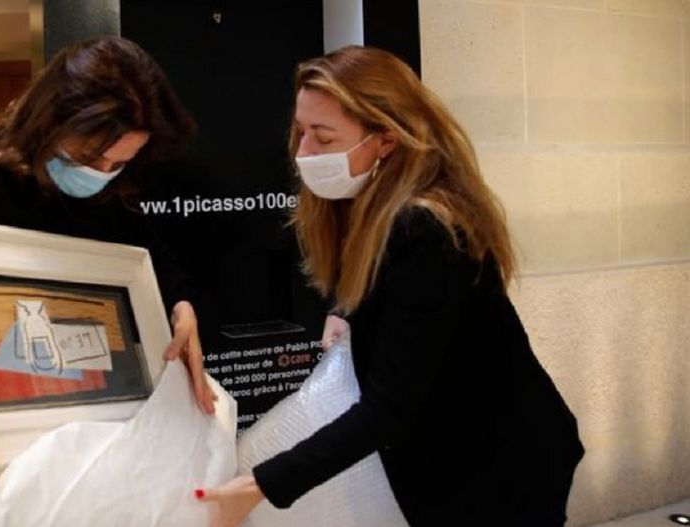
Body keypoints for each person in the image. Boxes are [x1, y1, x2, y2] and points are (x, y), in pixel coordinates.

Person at [198, 46, 584, 525]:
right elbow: (387, 290)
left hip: (502, 467)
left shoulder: (425, 229)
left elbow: (387, 409)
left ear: (385, 139)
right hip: (460, 454)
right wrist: (345, 309)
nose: (303, 153)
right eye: (301, 132)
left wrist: (259, 485)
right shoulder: (374, 208)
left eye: (323, 136)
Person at [0, 36, 215, 414]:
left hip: (98, 394)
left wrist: (181, 305)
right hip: (6, 397)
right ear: (49, 123)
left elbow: (152, 257)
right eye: (89, 156)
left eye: (120, 163)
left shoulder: (114, 192)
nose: (102, 174)